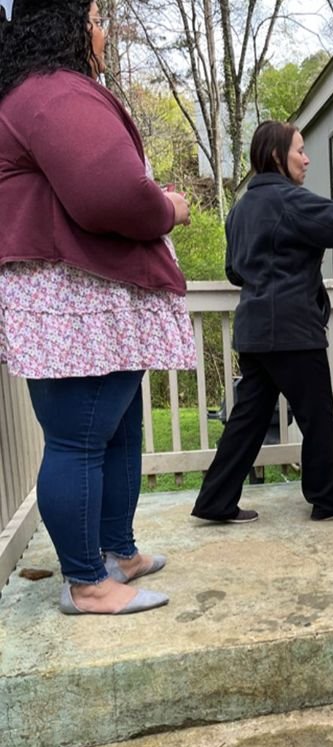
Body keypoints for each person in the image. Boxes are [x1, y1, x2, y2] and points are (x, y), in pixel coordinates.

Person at [0, 0, 194, 614]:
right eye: (96, 17)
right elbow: (111, 193)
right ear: (71, 23)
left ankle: (117, 552)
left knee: (115, 430)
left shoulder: (42, 91)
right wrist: (168, 208)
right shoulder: (52, 92)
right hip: (72, 302)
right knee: (80, 438)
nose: (103, 31)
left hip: (91, 300)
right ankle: (87, 583)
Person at [191, 120, 333, 524]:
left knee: (247, 420)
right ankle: (326, 499)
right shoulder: (290, 201)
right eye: (300, 150)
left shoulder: (241, 209)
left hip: (254, 332)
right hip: (293, 331)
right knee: (318, 417)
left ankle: (215, 499)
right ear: (277, 155)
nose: (307, 158)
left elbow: (234, 271)